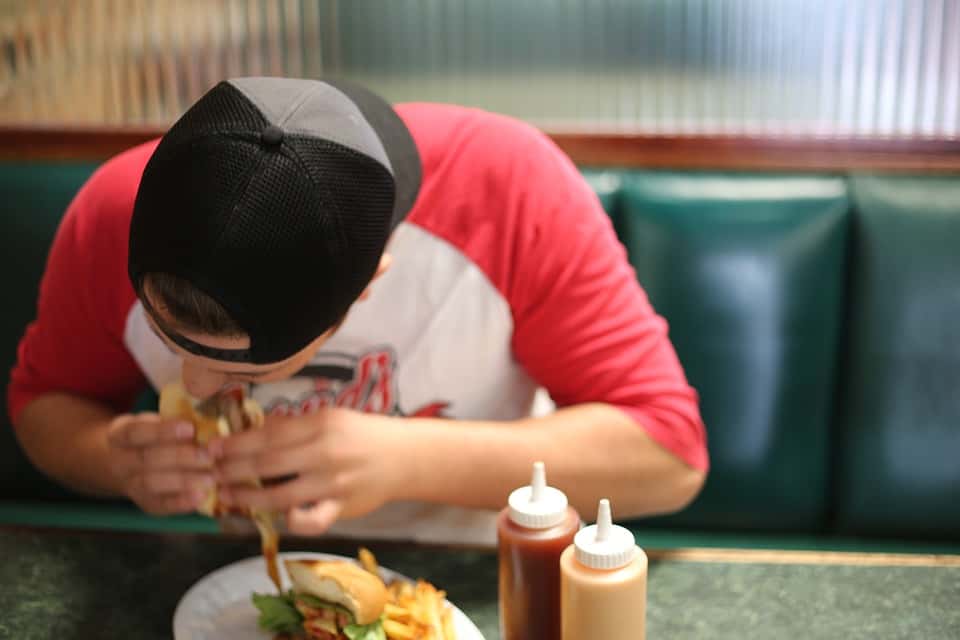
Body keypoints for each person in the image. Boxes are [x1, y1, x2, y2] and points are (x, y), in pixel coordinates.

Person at [8, 77, 707, 545]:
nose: (192, 385)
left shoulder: (509, 189)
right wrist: (113, 460)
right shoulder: (109, 214)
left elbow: (668, 458)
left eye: (250, 366)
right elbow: (43, 402)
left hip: (472, 582)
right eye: (170, 339)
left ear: (369, 283)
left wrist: (403, 459)